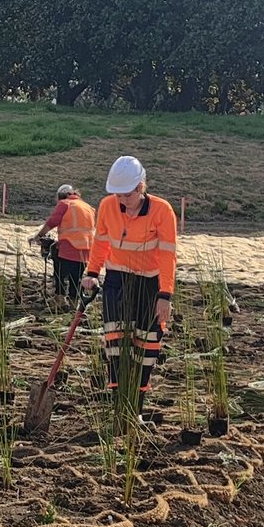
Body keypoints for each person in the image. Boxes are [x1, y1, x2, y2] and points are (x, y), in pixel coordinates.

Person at [81, 156, 178, 403]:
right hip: (116, 280)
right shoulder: (107, 206)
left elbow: (168, 255)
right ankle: (118, 404)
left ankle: (137, 406)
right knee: (115, 343)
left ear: (140, 187)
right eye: (118, 195)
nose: (122, 200)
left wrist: (165, 295)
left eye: (127, 195)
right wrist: (92, 272)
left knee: (145, 344)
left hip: (149, 283)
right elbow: (101, 242)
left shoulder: (162, 211)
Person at [35, 183, 96, 301]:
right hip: (86, 248)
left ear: (61, 196)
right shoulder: (88, 207)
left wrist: (39, 236)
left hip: (70, 245)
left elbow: (53, 221)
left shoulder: (64, 204)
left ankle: (60, 297)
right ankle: (74, 301)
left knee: (60, 274)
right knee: (76, 277)